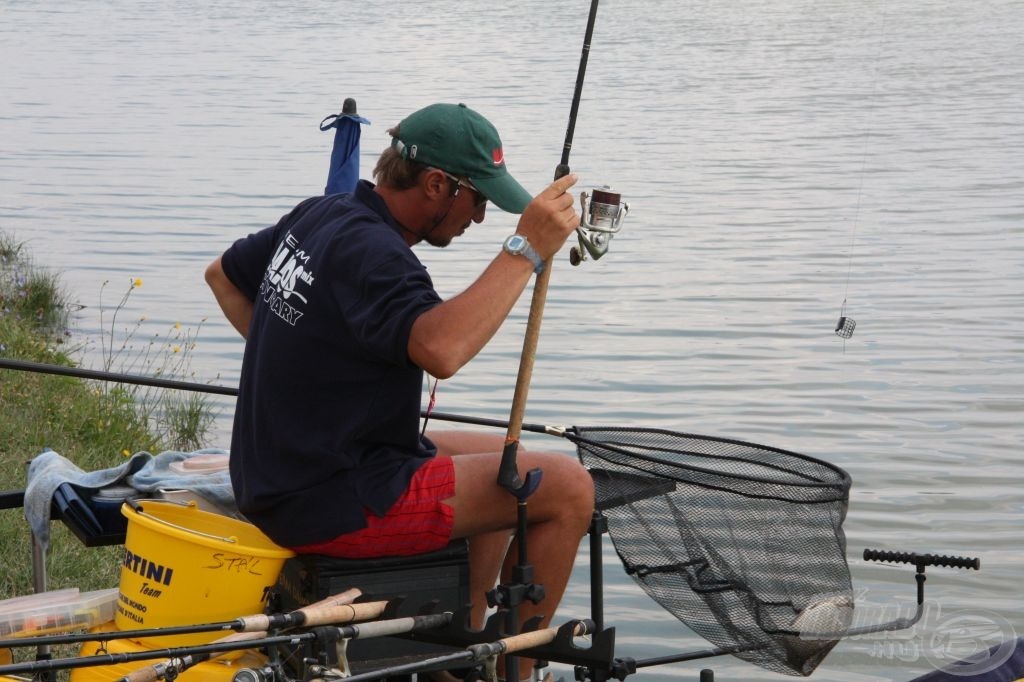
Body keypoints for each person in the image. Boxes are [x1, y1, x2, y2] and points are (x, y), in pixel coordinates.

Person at [205, 102, 595, 677]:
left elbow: (223, 276)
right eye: (478, 199)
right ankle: (515, 670)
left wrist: (306, 372)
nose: (481, 217)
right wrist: (525, 249)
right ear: (437, 185)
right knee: (567, 487)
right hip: (331, 499)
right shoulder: (378, 256)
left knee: (499, 456)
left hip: (281, 473)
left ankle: (464, 642)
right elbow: (443, 351)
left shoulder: (324, 213)